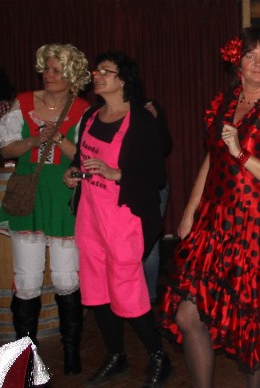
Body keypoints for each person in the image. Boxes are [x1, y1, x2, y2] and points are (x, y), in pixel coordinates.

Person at [160, 27, 260, 388]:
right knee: (188, 314)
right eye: (250, 55)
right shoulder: (222, 104)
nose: (257, 62)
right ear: (237, 62)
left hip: (254, 226)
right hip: (212, 222)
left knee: (251, 322)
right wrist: (189, 211)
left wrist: (241, 153)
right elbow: (211, 160)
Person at [64, 51, 172, 387]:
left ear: (123, 80)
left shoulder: (141, 120)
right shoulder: (91, 116)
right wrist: (73, 173)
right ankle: (116, 356)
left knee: (127, 290)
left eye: (105, 72)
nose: (97, 76)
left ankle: (159, 356)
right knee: (96, 290)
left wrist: (116, 173)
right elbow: (81, 160)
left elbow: (156, 176)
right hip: (91, 217)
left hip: (125, 218)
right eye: (96, 71)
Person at [0, 43, 90, 375]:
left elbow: (85, 156)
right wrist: (34, 141)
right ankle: (25, 357)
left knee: (66, 278)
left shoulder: (83, 109)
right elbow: (6, 148)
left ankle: (71, 352)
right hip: (29, 197)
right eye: (46, 68)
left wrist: (58, 138)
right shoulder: (22, 103)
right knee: (27, 280)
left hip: (63, 195)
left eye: (56, 70)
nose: (48, 75)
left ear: (71, 76)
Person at [140, 98, 173, 304]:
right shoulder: (114, 112)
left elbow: (166, 146)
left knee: (151, 243)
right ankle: (132, 297)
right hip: (126, 184)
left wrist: (155, 121)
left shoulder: (150, 106)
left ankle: (149, 298)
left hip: (155, 184)